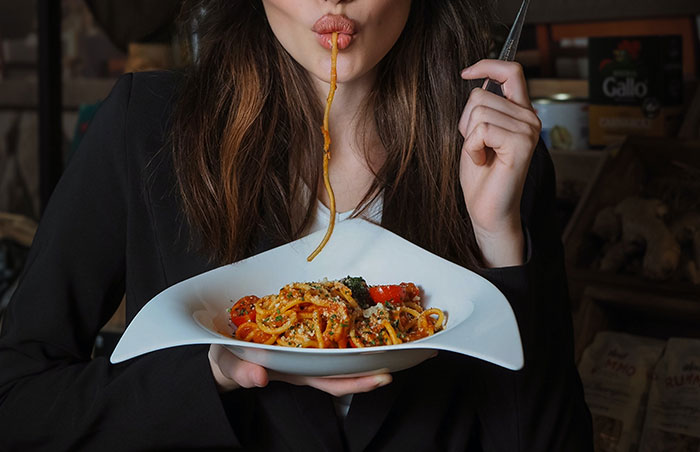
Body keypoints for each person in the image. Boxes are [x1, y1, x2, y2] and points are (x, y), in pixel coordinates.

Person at [0, 0, 593, 450]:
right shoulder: (146, 125)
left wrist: (499, 239)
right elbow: (18, 397)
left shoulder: (494, 148)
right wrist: (212, 374)